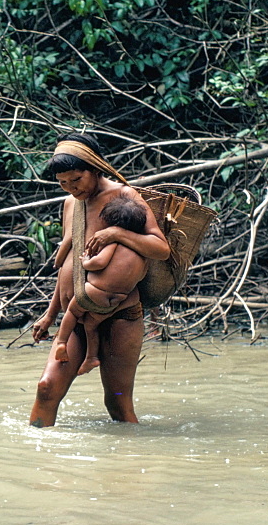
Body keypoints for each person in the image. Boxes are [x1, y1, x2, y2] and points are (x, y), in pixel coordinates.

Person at [30, 132, 169, 427]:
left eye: (76, 179)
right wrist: (49, 313)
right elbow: (70, 262)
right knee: (46, 389)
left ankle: (129, 468)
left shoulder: (125, 196)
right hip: (76, 314)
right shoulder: (71, 204)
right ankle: (36, 463)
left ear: (95, 168)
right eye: (63, 182)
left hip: (121, 315)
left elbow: (161, 249)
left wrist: (116, 233)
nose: (71, 188)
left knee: (117, 401)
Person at [51, 195, 150, 375]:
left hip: (94, 293)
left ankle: (61, 342)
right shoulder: (142, 253)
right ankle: (91, 357)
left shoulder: (113, 242)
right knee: (91, 325)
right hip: (115, 301)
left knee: (73, 313)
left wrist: (86, 262)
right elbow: (141, 276)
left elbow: (100, 263)